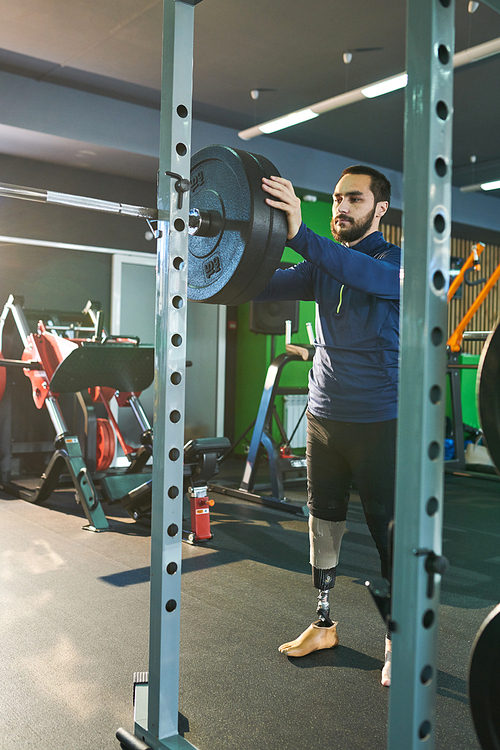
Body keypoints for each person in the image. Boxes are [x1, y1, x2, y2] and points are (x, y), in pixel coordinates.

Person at [259, 165, 400, 687]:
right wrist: (202, 264)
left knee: (390, 533)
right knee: (323, 524)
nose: (341, 207)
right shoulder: (320, 266)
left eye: (354, 200)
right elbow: (261, 283)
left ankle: (397, 638)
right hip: (324, 418)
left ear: (378, 209)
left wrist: (299, 235)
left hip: (380, 420)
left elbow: (354, 270)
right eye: (337, 198)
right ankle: (323, 623)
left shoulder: (396, 264)